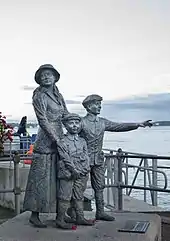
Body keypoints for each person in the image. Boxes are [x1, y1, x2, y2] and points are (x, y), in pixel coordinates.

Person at [67, 94, 152, 222]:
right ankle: (76, 214)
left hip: (98, 160)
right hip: (83, 160)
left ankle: (100, 212)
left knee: (100, 186)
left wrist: (138, 124)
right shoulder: (81, 122)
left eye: (100, 104)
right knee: (79, 187)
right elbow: (70, 137)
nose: (99, 106)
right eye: (96, 104)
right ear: (88, 106)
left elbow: (119, 126)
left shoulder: (103, 122)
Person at [23, 64, 69, 228]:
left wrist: (77, 125)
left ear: (55, 77)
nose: (46, 77)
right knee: (40, 178)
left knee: (60, 177)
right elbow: (43, 120)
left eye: (49, 74)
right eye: (43, 75)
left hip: (59, 138)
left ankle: (62, 213)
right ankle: (34, 214)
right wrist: (56, 139)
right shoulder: (39, 95)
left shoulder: (58, 95)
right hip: (45, 141)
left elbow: (66, 115)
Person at [56, 113, 94, 229]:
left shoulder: (82, 141)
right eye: (71, 123)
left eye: (77, 123)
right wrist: (74, 170)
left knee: (79, 195)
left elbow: (86, 155)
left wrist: (86, 168)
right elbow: (65, 157)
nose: (74, 126)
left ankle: (80, 217)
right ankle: (60, 219)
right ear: (65, 125)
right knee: (65, 196)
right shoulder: (62, 141)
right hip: (67, 173)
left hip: (81, 172)